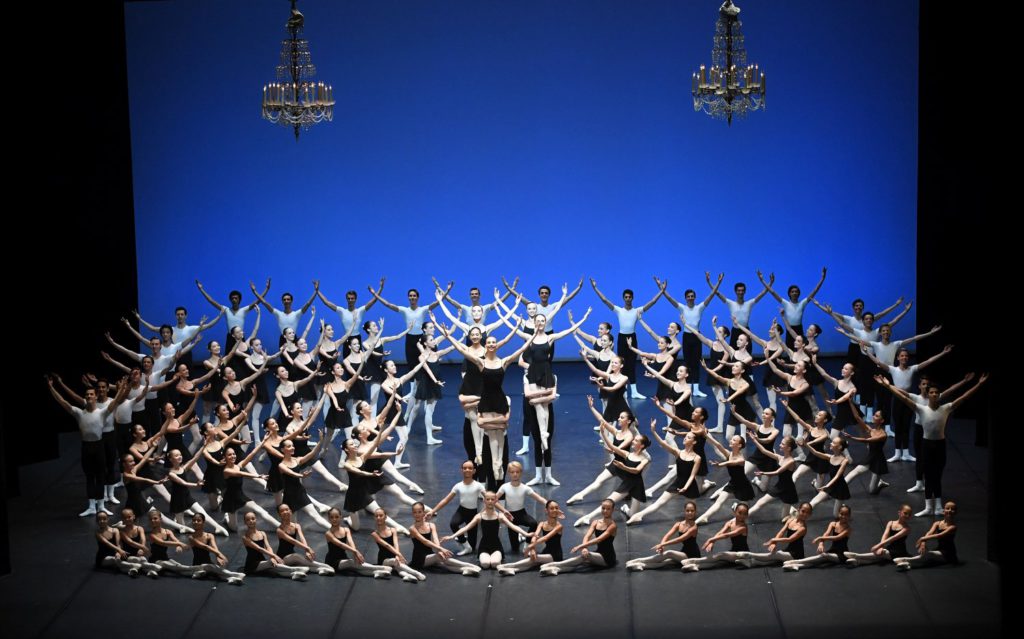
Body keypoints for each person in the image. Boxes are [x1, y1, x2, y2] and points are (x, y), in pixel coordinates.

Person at [442, 323, 536, 484]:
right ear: (486, 346)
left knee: (500, 431)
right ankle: (494, 464)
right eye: (489, 342)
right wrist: (448, 336)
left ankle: (499, 463)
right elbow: (463, 350)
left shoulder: (504, 362)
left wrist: (531, 338)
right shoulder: (480, 362)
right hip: (486, 398)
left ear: (496, 345)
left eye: (494, 342)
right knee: (490, 433)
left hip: (499, 397)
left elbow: (518, 351)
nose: (492, 344)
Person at [883, 373, 988, 516]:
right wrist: (887, 385)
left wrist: (979, 384)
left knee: (937, 476)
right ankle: (928, 507)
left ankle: (938, 506)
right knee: (928, 475)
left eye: (936, 392)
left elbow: (963, 397)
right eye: (931, 392)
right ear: (928, 393)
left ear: (939, 395)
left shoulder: (946, 408)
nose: (933, 394)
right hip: (927, 445)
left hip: (940, 446)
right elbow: (903, 397)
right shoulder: (921, 408)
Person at [47, 376, 129, 516]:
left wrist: (122, 388)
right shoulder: (79, 413)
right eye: (87, 395)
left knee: (101, 475)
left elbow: (116, 401)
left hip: (99, 447)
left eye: (91, 394)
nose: (89, 396)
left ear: (96, 396)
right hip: (86, 447)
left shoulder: (102, 413)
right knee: (90, 476)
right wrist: (51, 387)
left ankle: (101, 505)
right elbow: (63, 401)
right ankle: (91, 506)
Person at [590, 278, 665, 399]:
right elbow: (604, 300)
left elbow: (652, 302)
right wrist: (595, 288)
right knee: (622, 365)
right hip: (621, 339)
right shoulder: (619, 311)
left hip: (632, 338)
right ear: (623, 298)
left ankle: (634, 392)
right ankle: (623, 390)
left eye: (630, 297)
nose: (628, 299)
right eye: (626, 297)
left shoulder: (637, 311)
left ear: (632, 298)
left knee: (631, 365)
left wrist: (661, 290)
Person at [658, 272, 724, 398]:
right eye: (688, 296)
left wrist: (718, 283)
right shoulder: (682, 308)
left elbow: (711, 296)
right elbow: (670, 300)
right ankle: (687, 387)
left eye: (692, 296)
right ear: (685, 298)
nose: (690, 298)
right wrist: (662, 290)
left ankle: (697, 388)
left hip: (697, 336)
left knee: (697, 362)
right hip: (687, 337)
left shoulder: (699, 308)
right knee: (688, 363)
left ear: (695, 297)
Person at [573, 429, 650, 527]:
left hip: (637, 486)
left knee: (632, 517)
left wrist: (624, 467)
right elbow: (613, 446)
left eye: (636, 440)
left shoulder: (645, 459)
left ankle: (626, 509)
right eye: (633, 439)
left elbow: (637, 470)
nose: (633, 441)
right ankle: (588, 517)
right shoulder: (627, 454)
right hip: (628, 484)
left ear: (642, 445)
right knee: (609, 500)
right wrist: (604, 434)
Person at [625, 422, 697, 525]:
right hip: (678, 483)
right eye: (686, 436)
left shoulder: (697, 458)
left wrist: (686, 487)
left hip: (690, 485)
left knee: (692, 512)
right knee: (659, 502)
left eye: (688, 437)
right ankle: (638, 516)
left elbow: (692, 475)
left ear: (694, 442)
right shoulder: (678, 452)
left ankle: (695, 523)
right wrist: (654, 431)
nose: (685, 438)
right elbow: (663, 444)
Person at [442, 491, 532, 569]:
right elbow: (466, 528)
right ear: (484, 500)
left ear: (496, 501)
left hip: (496, 546)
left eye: (492, 499)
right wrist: (451, 536)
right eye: (488, 499)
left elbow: (514, 526)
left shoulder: (499, 516)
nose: (490, 501)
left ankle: (498, 559)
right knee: (485, 564)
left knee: (494, 564)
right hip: (484, 546)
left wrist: (526, 534)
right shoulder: (479, 516)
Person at [540, 499, 617, 575]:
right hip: (598, 553)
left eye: (608, 509)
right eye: (603, 508)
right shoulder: (595, 522)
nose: (605, 511)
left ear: (613, 510)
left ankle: (554, 565)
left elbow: (599, 539)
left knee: (585, 556)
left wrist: (580, 546)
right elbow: (587, 536)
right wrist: (584, 548)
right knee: (579, 562)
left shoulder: (612, 526)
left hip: (607, 558)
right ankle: (556, 570)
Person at [427, 460, 488, 556]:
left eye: (470, 468)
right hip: (462, 510)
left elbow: (490, 499)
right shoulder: (458, 486)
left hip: (473, 513)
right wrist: (432, 511)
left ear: (474, 471)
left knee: (473, 546)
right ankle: (464, 544)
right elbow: (446, 500)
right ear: (461, 470)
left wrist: (482, 513)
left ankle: (467, 543)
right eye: (465, 468)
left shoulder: (478, 486)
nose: (467, 470)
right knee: (453, 524)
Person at [757, 268, 827, 348]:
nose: (794, 293)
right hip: (789, 330)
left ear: (799, 293)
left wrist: (822, 278)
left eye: (796, 291)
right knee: (790, 351)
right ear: (789, 294)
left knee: (801, 350)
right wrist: (762, 280)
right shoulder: (785, 303)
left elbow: (815, 290)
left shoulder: (802, 303)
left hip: (799, 329)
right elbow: (772, 292)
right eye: (792, 291)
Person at [407, 502, 482, 577]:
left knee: (443, 563)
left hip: (429, 554)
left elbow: (436, 539)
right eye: (415, 512)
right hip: (419, 559)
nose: (417, 514)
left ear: (424, 512)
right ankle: (468, 565)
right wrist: (441, 549)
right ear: (412, 514)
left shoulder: (431, 525)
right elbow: (425, 541)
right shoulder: (412, 528)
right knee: (438, 557)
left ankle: (465, 570)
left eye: (419, 512)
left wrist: (439, 551)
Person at [626, 501, 700, 571]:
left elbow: (679, 539)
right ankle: (640, 565)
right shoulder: (679, 524)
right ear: (684, 511)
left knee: (669, 553)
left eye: (692, 511)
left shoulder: (694, 528)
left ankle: (638, 560)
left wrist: (662, 544)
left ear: (695, 512)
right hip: (684, 552)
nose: (690, 513)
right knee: (665, 562)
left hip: (692, 555)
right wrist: (662, 546)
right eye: (688, 510)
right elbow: (667, 535)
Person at [496, 500, 565, 575]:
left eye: (556, 508)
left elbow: (545, 538)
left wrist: (529, 547)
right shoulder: (542, 524)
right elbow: (534, 537)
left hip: (555, 555)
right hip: (546, 551)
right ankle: (514, 570)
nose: (554, 510)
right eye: (552, 508)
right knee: (532, 564)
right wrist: (532, 549)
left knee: (533, 560)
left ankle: (508, 566)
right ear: (546, 510)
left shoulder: (559, 526)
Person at [322, 507, 392, 578]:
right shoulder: (328, 533)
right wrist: (355, 551)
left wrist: (354, 553)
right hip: (332, 561)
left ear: (340, 517)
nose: (334, 519)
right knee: (351, 563)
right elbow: (341, 544)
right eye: (332, 517)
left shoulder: (346, 530)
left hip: (343, 557)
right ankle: (381, 568)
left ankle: (376, 573)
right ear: (329, 519)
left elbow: (351, 542)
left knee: (357, 568)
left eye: (336, 517)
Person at [735, 502, 812, 567]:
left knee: (775, 555)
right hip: (789, 550)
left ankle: (749, 555)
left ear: (810, 515)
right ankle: (751, 562)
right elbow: (781, 532)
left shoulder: (802, 528)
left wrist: (773, 540)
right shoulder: (791, 520)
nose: (805, 514)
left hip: (796, 555)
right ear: (798, 510)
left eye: (807, 513)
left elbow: (789, 539)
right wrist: (774, 543)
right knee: (773, 559)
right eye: (803, 511)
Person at [496, 461, 549, 553]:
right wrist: (504, 511)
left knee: (533, 523)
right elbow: (494, 500)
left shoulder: (525, 488)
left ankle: (527, 544)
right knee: (515, 548)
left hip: (521, 513)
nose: (515, 474)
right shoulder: (504, 487)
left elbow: (539, 498)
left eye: (517, 472)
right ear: (509, 473)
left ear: (521, 473)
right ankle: (520, 538)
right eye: (512, 472)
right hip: (510, 516)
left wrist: (550, 504)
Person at [196, 279, 268, 346]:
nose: (234, 300)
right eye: (232, 298)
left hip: (240, 337)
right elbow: (211, 300)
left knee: (243, 358)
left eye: (236, 298)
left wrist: (266, 289)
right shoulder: (226, 310)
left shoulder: (244, 310)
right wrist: (201, 289)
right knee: (229, 358)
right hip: (230, 338)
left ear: (239, 300)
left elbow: (259, 300)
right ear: (230, 300)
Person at [682, 503, 751, 571]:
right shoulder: (730, 523)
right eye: (740, 513)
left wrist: (711, 539)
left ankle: (694, 561)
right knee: (717, 562)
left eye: (745, 514)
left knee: (720, 555)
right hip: (733, 551)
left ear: (747, 515)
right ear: (734, 512)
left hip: (742, 554)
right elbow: (720, 533)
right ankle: (695, 566)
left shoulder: (743, 528)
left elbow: (726, 535)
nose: (742, 516)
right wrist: (712, 542)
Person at [240, 511, 309, 580]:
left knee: (275, 570)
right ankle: (295, 569)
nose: (251, 521)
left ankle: (294, 575)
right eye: (248, 520)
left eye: (253, 518)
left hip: (261, 560)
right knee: (271, 563)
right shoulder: (245, 537)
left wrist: (272, 557)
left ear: (256, 519)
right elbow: (259, 548)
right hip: (251, 565)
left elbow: (268, 546)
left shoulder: (262, 533)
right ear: (245, 522)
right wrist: (274, 556)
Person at [712, 275, 774, 349]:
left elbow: (762, 293)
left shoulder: (749, 303)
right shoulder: (730, 303)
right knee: (733, 353)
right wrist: (717, 282)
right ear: (735, 291)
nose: (740, 292)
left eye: (742, 290)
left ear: (745, 291)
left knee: (748, 351)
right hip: (735, 331)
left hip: (746, 331)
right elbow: (716, 292)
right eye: (738, 290)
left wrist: (770, 283)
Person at [782, 504, 852, 571]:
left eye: (846, 515)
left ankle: (796, 561)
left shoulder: (848, 529)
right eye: (842, 514)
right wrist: (821, 543)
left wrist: (819, 538)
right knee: (818, 562)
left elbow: (837, 537)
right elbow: (826, 534)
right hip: (832, 551)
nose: (843, 516)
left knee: (823, 556)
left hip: (841, 555)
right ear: (838, 513)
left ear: (849, 516)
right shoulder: (833, 524)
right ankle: (797, 566)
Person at [747, 435, 799, 521]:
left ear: (789, 448)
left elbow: (777, 472)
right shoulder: (780, 458)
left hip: (789, 489)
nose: (779, 445)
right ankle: (741, 517)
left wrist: (763, 473)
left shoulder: (791, 461)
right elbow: (764, 451)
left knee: (784, 519)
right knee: (761, 502)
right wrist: (754, 440)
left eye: (782, 444)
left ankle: (796, 512)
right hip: (780, 486)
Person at [896, 501, 959, 570]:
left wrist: (922, 538)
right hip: (939, 549)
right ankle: (906, 563)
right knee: (925, 555)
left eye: (952, 509)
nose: (949, 510)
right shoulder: (937, 523)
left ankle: (905, 560)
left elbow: (939, 535)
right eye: (947, 508)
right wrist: (923, 542)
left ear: (955, 512)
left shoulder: (953, 527)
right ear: (943, 510)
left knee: (929, 555)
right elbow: (929, 533)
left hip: (948, 554)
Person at [276, 503, 335, 575]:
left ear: (290, 511)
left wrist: (307, 551)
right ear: (279, 514)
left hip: (292, 554)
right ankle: (324, 566)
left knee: (304, 563)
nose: (285, 512)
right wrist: (308, 548)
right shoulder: (279, 530)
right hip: (283, 557)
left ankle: (322, 570)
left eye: (286, 509)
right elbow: (293, 541)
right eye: (282, 511)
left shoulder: (296, 526)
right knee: (297, 557)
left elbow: (302, 538)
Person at [249, 282, 318, 344]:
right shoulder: (278, 314)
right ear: (282, 302)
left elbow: (308, 303)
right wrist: (255, 292)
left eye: (288, 299)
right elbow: (264, 302)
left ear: (291, 301)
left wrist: (316, 291)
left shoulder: (297, 314)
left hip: (294, 340)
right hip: (283, 341)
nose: (286, 301)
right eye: (284, 300)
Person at [845, 504, 912, 566]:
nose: (907, 516)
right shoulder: (890, 523)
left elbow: (893, 538)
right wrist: (881, 547)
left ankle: (857, 556)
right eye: (905, 513)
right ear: (899, 512)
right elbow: (885, 535)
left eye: (909, 514)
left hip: (899, 552)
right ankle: (858, 562)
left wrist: (878, 546)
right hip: (891, 548)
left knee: (881, 554)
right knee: (878, 558)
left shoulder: (906, 529)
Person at [371, 508, 426, 582]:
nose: (378, 518)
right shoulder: (375, 534)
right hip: (383, 560)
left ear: (385, 517)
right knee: (395, 561)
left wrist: (397, 555)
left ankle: (408, 576)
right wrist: (399, 555)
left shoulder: (393, 530)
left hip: (394, 555)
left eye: (381, 515)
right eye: (376, 516)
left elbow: (396, 544)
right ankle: (416, 573)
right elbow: (387, 545)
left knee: (399, 568)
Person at [316, 277, 385, 337]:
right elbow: (326, 302)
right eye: (348, 298)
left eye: (352, 298)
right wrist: (317, 291)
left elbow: (374, 300)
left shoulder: (360, 311)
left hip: (357, 339)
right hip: (346, 338)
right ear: (346, 299)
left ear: (355, 299)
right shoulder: (342, 311)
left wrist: (381, 288)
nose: (350, 300)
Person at [189, 513, 246, 583]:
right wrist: (220, 554)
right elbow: (205, 546)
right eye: (194, 520)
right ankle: (234, 575)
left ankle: (230, 579)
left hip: (208, 562)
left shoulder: (209, 535)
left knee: (216, 570)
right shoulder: (191, 537)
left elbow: (214, 546)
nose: (196, 522)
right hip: (197, 564)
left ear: (203, 522)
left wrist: (217, 557)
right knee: (212, 569)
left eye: (198, 520)